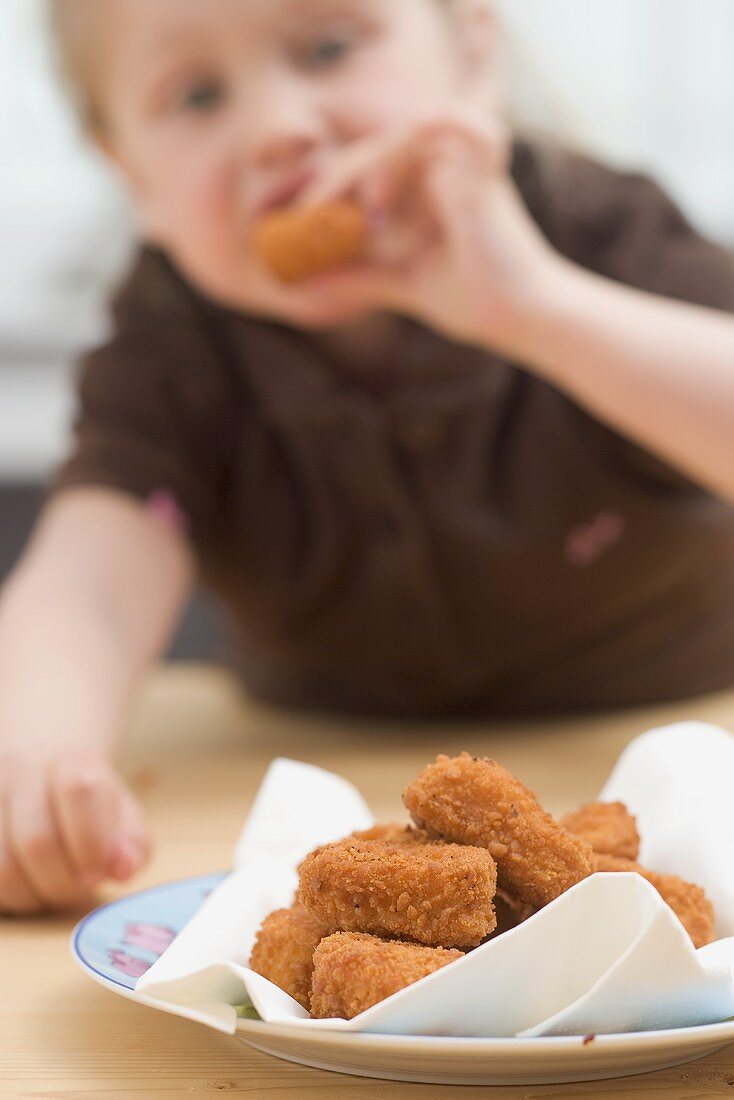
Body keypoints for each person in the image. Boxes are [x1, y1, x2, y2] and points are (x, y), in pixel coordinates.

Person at [1, 0, 734, 916]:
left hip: (662, 743)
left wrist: (536, 308)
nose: (276, 127)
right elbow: (93, 576)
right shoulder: (175, 339)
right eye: (195, 96)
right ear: (130, 175)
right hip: (327, 771)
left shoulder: (600, 229)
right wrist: (33, 748)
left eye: (332, 47)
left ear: (471, 50)